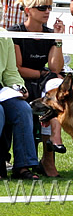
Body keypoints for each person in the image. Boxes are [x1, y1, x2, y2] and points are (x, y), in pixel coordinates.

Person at [10, 0, 65, 177]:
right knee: (52, 84)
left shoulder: (49, 33)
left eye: (49, 7)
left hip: (42, 80)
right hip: (19, 81)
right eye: (42, 7)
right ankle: (36, 157)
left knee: (57, 89)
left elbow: (55, 67)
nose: (47, 11)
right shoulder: (15, 32)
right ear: (28, 10)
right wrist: (43, 73)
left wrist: (58, 39)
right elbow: (17, 68)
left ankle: (51, 149)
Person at [0, 27, 40, 180]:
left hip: (1, 89)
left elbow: (10, 72)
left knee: (23, 109)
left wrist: (19, 87)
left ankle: (23, 167)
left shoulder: (4, 36)